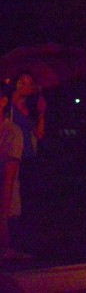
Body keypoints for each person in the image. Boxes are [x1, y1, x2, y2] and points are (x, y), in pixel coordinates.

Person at [0, 84, 24, 260]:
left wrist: (3, 217)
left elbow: (9, 179)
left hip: (5, 201)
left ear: (3, 101)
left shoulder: (12, 133)